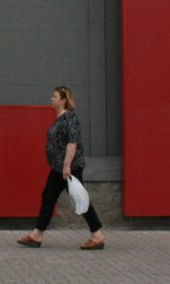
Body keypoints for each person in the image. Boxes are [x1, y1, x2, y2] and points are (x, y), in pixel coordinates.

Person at [17, 85, 105, 250]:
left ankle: (97, 235)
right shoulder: (61, 119)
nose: (52, 99)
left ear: (63, 100)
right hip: (58, 168)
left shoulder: (70, 118)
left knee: (80, 199)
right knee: (48, 198)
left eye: (55, 97)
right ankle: (37, 235)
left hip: (69, 168)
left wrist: (66, 166)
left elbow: (72, 143)